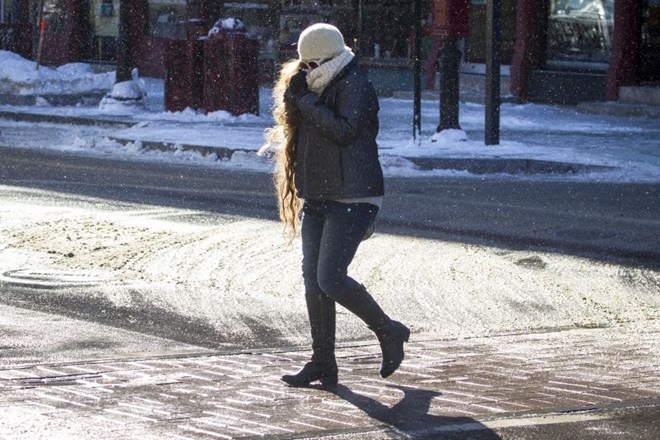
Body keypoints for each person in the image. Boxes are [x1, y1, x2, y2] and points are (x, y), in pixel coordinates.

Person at [262, 23, 410, 388]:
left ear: (328, 59)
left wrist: (306, 101)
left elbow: (344, 131)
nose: (305, 72)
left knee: (331, 278)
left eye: (310, 66)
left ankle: (388, 331)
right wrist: (296, 100)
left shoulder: (354, 84)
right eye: (303, 66)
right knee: (313, 282)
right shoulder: (315, 86)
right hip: (319, 198)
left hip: (354, 197)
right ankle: (323, 363)